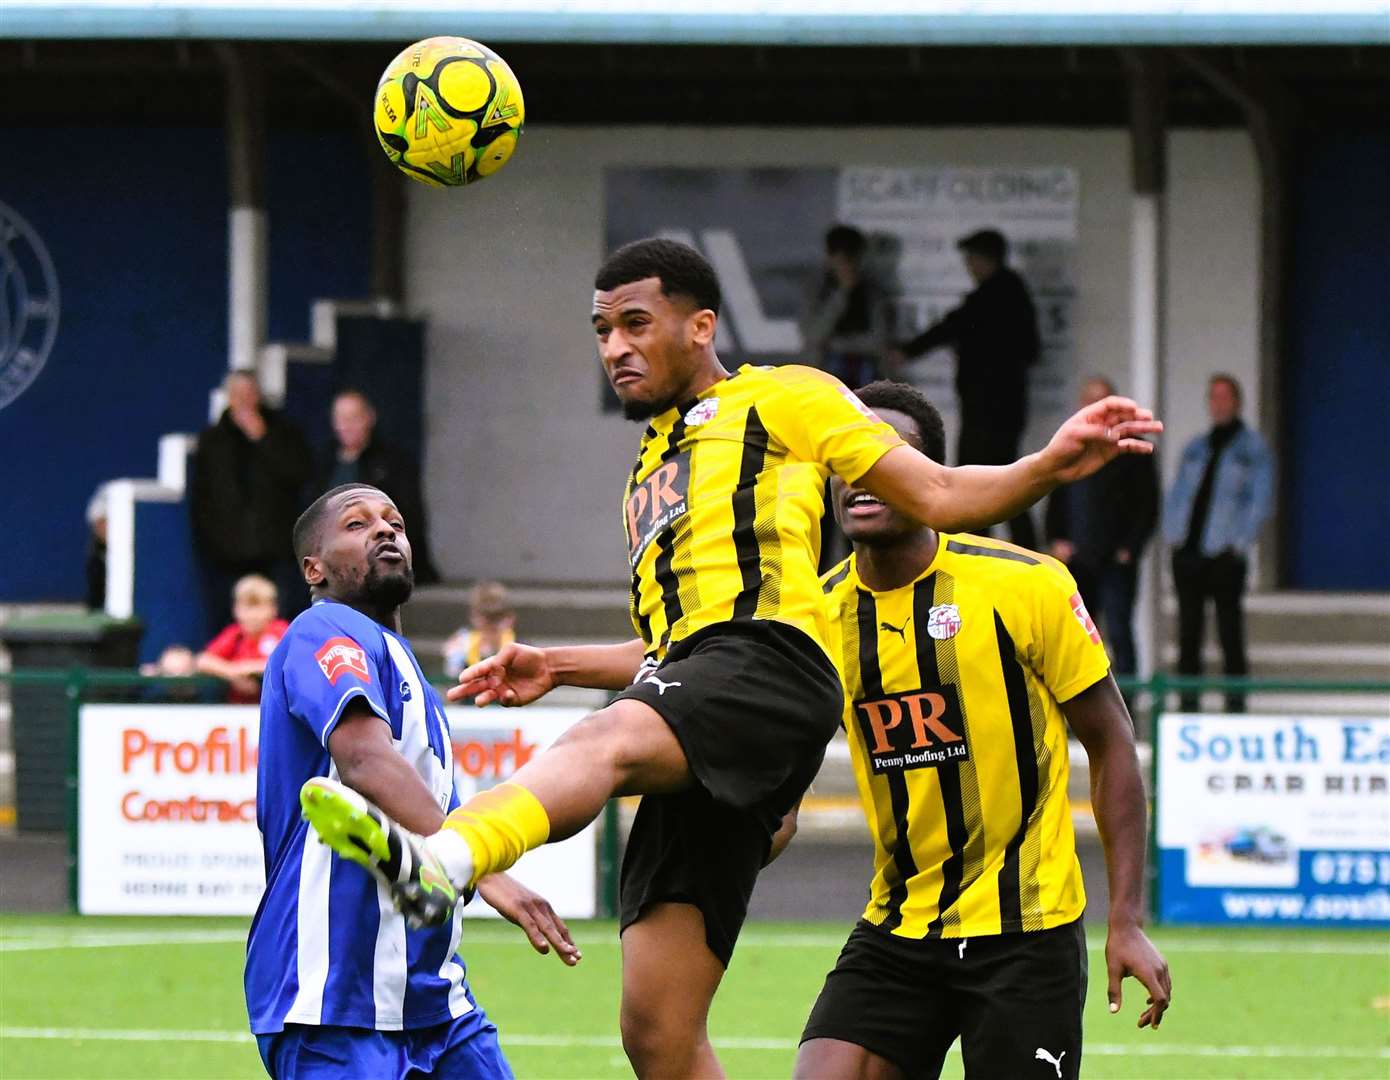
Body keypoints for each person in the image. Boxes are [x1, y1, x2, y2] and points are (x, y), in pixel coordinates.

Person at [298, 238, 1161, 1078]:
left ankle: (448, 857)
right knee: (656, 1031)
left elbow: (935, 494)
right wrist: (558, 663)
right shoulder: (650, 475)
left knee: (600, 745)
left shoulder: (784, 399)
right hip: (719, 717)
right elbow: (673, 649)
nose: (616, 347)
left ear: (702, 325)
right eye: (602, 331)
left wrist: (1047, 466)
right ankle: (463, 857)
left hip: (773, 680)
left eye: (636, 323)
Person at [794, 381, 1170, 1080]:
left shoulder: (1025, 586)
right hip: (899, 927)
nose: (861, 475)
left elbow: (1112, 741)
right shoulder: (816, 616)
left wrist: (1126, 916)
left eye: (886, 457)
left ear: (931, 477)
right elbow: (758, 734)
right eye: (846, 458)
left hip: (1026, 935)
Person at [245, 483, 579, 1080]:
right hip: (332, 998)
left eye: (393, 521)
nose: (384, 529)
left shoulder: (409, 671)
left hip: (435, 1000)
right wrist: (486, 866)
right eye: (357, 523)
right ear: (312, 568)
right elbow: (364, 761)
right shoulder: (322, 631)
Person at [891, 228, 1042, 549]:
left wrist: (909, 351)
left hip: (989, 412)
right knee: (1003, 481)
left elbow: (952, 326)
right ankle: (995, 549)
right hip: (1000, 410)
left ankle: (974, 552)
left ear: (985, 259)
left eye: (972, 259)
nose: (969, 266)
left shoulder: (995, 295)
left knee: (979, 483)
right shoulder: (1012, 294)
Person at [1163, 373, 1274, 713]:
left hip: (1224, 553)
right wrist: (1173, 536)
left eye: (1225, 397)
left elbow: (1260, 501)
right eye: (1213, 397)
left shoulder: (1251, 448)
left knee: (1229, 634)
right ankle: (1188, 709)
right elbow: (1179, 493)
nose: (1219, 404)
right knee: (1188, 635)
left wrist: (1238, 544)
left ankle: (1235, 708)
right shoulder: (1197, 447)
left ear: (1237, 402)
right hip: (1189, 551)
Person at [1045, 376, 1159, 682]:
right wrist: (1055, 539)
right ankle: (1081, 708)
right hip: (1076, 559)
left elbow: (1147, 506)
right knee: (1078, 635)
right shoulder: (1069, 448)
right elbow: (1055, 493)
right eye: (1088, 401)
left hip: (1115, 560)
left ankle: (1127, 710)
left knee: (1119, 631)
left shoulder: (1133, 451)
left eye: (1101, 401)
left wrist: (1129, 550)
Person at [190, 371, 314, 631]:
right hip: (226, 555)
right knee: (228, 624)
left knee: (280, 620)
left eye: (249, 394)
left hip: (276, 550)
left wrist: (262, 439)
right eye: (237, 395)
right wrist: (211, 541)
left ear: (258, 396)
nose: (244, 401)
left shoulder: (284, 433)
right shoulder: (212, 440)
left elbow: (299, 475)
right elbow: (201, 497)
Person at [318, 388, 440, 584]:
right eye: (340, 418)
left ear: (369, 418)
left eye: (353, 418)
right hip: (334, 563)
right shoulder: (325, 460)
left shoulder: (392, 462)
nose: (345, 426)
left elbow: (410, 516)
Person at [800, 224, 893, 389]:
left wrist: (838, 344)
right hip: (825, 375)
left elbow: (880, 341)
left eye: (852, 259)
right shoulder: (816, 290)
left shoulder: (872, 292)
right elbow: (813, 336)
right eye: (841, 260)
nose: (848, 267)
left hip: (867, 375)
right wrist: (842, 293)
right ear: (830, 258)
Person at [195, 574, 290, 704]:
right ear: (236, 609)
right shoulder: (235, 634)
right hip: (238, 710)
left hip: (275, 708)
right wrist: (231, 673)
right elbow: (203, 660)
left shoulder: (281, 631)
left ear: (273, 609)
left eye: (259, 608)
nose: (252, 615)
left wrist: (248, 668)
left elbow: (291, 661)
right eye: (247, 608)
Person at [443, 582, 518, 681]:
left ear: (510, 618)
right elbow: (452, 674)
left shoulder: (519, 646)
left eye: (496, 619)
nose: (491, 627)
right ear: (474, 618)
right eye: (487, 620)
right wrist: (454, 657)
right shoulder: (464, 643)